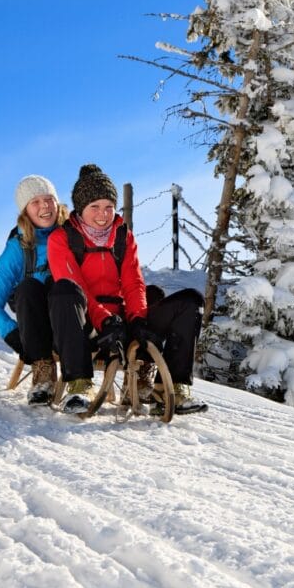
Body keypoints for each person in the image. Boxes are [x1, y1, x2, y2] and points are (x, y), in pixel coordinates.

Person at [47, 163, 205, 414]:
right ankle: (79, 385)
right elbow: (76, 286)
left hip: (121, 322)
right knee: (65, 290)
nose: (103, 214)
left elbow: (133, 283)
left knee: (190, 301)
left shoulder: (123, 236)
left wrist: (138, 320)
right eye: (94, 207)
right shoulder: (62, 239)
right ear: (80, 207)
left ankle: (168, 389)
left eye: (109, 206)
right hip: (82, 323)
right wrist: (105, 320)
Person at [0, 175, 69, 405]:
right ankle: (43, 371)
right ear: (25, 211)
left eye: (49, 199)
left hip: (73, 320)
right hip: (37, 325)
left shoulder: (74, 234)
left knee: (61, 285)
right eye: (35, 202)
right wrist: (16, 337)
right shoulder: (17, 248)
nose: (44, 206)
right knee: (28, 287)